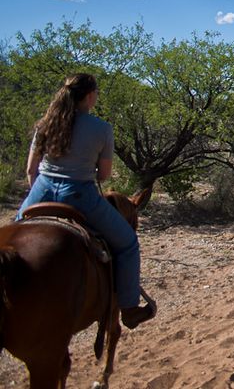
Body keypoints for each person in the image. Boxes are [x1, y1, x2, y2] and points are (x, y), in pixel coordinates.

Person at [16, 73, 156, 329]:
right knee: (127, 243)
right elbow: (103, 175)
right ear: (90, 96)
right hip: (81, 194)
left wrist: (37, 194)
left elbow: (30, 170)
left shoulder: (45, 124)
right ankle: (128, 307)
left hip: (41, 190)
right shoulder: (102, 128)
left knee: (10, 237)